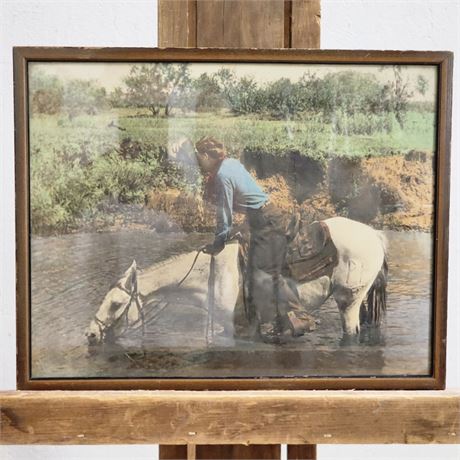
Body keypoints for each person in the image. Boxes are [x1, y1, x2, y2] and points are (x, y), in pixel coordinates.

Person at [194, 136, 315, 343]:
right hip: (263, 217)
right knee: (249, 272)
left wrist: (218, 243)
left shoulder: (222, 175)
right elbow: (250, 198)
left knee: (263, 273)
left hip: (266, 221)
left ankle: (299, 315)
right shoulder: (231, 163)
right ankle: (250, 326)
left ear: (206, 156)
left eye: (199, 158)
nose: (198, 163)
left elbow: (224, 218)